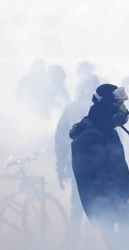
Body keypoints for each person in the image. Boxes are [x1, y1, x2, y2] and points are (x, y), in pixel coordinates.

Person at [71, 84, 129, 250]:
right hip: (108, 209)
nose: (123, 109)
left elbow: (117, 171)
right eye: (119, 105)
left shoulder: (106, 130)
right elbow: (100, 180)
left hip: (120, 202)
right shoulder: (89, 136)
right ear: (105, 106)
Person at [55, 75, 100, 238]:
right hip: (94, 166)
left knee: (79, 204)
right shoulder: (104, 110)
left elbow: (61, 141)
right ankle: (88, 241)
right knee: (95, 206)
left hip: (80, 165)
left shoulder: (71, 109)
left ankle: (75, 240)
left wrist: (60, 167)